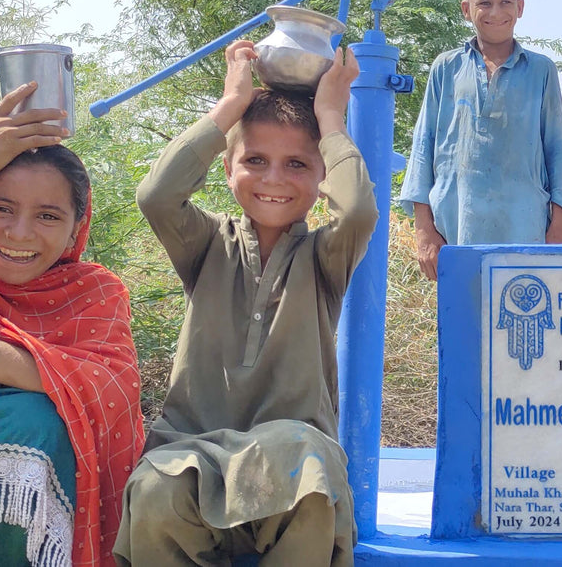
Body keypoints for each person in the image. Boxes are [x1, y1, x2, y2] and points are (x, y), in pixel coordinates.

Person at [114, 40, 378, 566]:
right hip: (194, 448)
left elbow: (356, 214)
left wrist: (330, 114)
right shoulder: (206, 244)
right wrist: (230, 105)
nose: (274, 179)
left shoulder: (324, 257)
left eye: (297, 164)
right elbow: (157, 196)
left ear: (321, 174)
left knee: (309, 473)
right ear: (228, 167)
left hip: (290, 457)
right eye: (255, 160)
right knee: (153, 491)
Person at [0, 82, 144, 567]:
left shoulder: (93, 294)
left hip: (24, 542)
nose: (20, 233)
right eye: (0, 208)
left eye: (49, 216)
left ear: (78, 227)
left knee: (39, 426)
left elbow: (112, 391)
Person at [399, 0, 562, 280]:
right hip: (455, 230)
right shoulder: (446, 68)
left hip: (525, 230)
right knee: (462, 321)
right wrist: (424, 230)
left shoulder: (541, 71)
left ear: (520, 7)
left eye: (506, 2)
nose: (495, 11)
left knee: (523, 318)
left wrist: (559, 225)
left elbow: (556, 149)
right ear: (466, 10)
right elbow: (423, 147)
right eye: (484, 2)